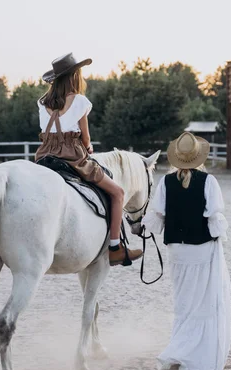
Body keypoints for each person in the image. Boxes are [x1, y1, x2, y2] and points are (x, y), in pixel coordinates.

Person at [35, 53, 142, 266]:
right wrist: (88, 147)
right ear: (74, 76)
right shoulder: (80, 101)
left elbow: (46, 132)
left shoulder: (42, 102)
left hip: (45, 156)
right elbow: (85, 137)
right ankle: (114, 247)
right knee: (118, 193)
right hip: (72, 157)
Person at [141, 131, 231, 370]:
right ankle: (195, 351)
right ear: (198, 157)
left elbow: (157, 215)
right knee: (202, 302)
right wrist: (219, 237)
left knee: (183, 302)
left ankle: (180, 346)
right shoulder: (208, 181)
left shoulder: (166, 183)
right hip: (201, 247)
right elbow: (214, 215)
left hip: (176, 251)